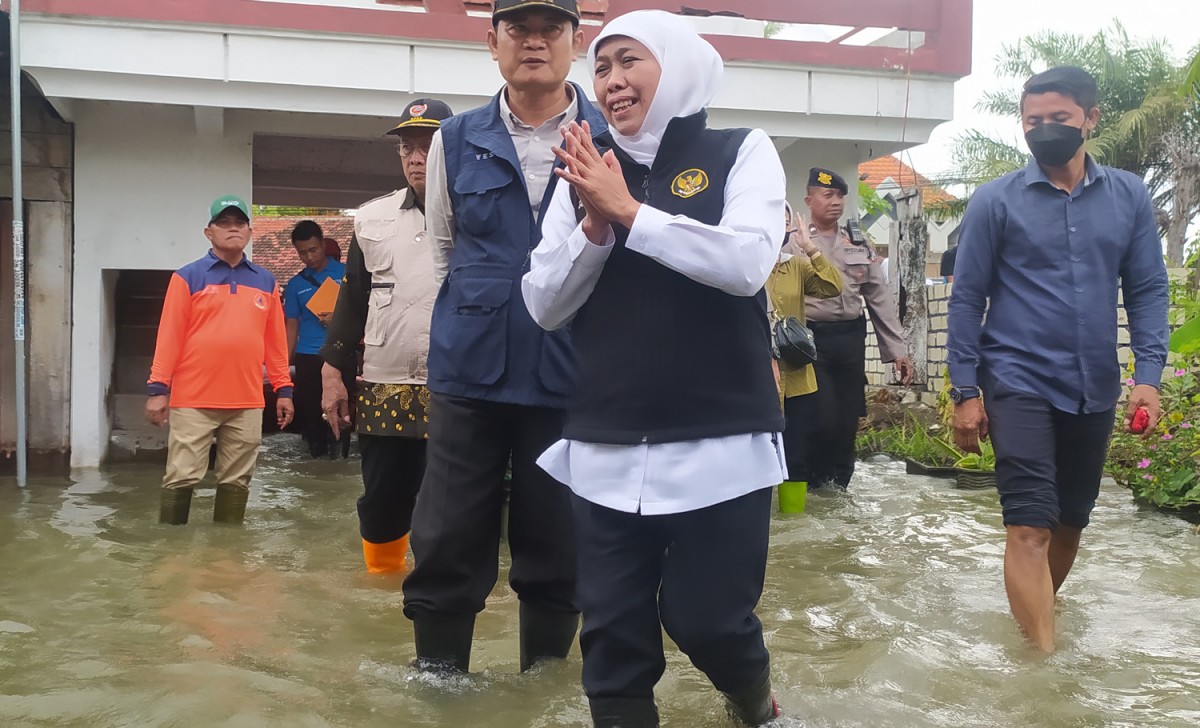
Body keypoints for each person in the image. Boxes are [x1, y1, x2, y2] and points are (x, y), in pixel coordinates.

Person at [524, 10, 787, 726]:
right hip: (605, 440)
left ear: (677, 66)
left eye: (628, 61)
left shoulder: (742, 149)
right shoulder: (581, 168)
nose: (610, 81)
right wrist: (594, 226)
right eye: (601, 67)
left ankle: (753, 700)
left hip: (721, 439)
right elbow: (544, 303)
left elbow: (745, 263)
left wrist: (632, 212)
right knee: (610, 645)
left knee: (709, 622)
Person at [403, 0, 608, 674]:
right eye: (518, 29)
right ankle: (439, 680)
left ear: (577, 42)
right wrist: (471, 324)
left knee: (559, 536)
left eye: (552, 29)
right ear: (492, 43)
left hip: (573, 369)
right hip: (470, 371)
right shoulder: (454, 139)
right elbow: (442, 250)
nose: (534, 42)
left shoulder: (614, 137)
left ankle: (541, 682)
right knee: (447, 534)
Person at [947, 66, 1168, 653]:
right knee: (1028, 524)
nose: (1044, 131)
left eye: (1059, 120)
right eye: (1033, 121)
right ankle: (1044, 670)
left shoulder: (1128, 197)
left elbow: (1146, 288)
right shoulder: (995, 201)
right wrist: (965, 391)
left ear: (1090, 120)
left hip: (1093, 383)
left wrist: (1149, 377)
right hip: (1017, 377)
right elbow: (968, 296)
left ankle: (1033, 624)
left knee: (1070, 521)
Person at [320, 99, 454, 574]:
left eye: (429, 146)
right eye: (407, 148)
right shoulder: (371, 218)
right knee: (382, 497)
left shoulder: (479, 214)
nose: (416, 158)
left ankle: (443, 590)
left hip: (457, 383)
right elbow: (352, 298)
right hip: (384, 378)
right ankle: (380, 587)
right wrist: (332, 370)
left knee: (454, 498)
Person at [147, 195, 294, 525]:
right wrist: (158, 388)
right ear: (208, 232)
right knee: (181, 476)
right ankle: (170, 551)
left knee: (237, 481)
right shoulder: (187, 277)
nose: (232, 229)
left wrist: (284, 389)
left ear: (250, 232)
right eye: (223, 223)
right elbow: (169, 336)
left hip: (247, 400)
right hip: (193, 399)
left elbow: (276, 343)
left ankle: (227, 555)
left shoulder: (266, 281)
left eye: (239, 223)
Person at [804, 167, 913, 489]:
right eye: (828, 195)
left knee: (847, 418)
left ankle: (841, 484)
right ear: (810, 200)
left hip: (851, 339)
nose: (836, 202)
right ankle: (813, 480)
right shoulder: (796, 242)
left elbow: (878, 297)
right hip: (811, 340)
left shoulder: (857, 242)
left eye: (840, 196)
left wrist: (897, 351)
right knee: (821, 416)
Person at [768, 204, 843, 512]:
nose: (776, 222)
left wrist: (810, 247)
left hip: (796, 375)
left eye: (783, 217)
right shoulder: (741, 264)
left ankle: (792, 523)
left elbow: (832, 286)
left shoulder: (796, 266)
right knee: (753, 453)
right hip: (753, 374)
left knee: (796, 453)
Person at [284, 220, 348, 458]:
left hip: (340, 353)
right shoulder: (295, 285)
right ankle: (315, 463)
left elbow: (367, 313)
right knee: (311, 415)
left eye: (313, 250)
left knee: (341, 413)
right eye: (302, 252)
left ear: (323, 244)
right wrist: (283, 365)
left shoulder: (347, 275)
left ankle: (340, 459)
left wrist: (340, 317)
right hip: (307, 357)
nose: (309, 257)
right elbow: (291, 327)